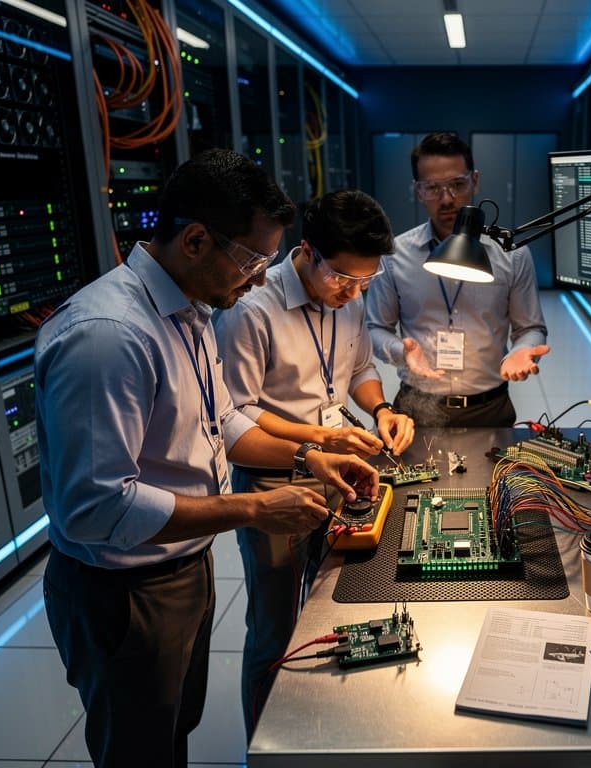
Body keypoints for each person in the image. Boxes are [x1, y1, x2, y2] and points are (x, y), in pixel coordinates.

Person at [35, 149, 378, 768]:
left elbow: (228, 421)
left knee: (173, 731)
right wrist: (250, 507)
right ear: (195, 240)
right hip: (123, 587)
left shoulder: (189, 312)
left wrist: (308, 456)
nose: (256, 281)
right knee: (137, 749)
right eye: (251, 261)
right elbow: (97, 507)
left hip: (181, 564)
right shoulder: (110, 336)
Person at [214, 188, 415, 738]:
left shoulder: (346, 297)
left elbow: (358, 368)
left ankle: (319, 731)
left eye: (364, 283)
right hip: (275, 475)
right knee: (275, 628)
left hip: (336, 463)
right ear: (306, 251)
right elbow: (236, 417)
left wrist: (379, 410)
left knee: (331, 607)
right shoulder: (253, 310)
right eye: (342, 279)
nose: (352, 293)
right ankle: (263, 742)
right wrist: (320, 441)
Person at [365, 131, 550, 427]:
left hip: (489, 408)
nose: (447, 199)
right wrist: (403, 352)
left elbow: (531, 328)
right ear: (417, 190)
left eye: (457, 185)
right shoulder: (395, 255)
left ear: (474, 181)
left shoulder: (511, 255)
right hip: (416, 408)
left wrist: (521, 351)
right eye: (433, 188)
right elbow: (375, 329)